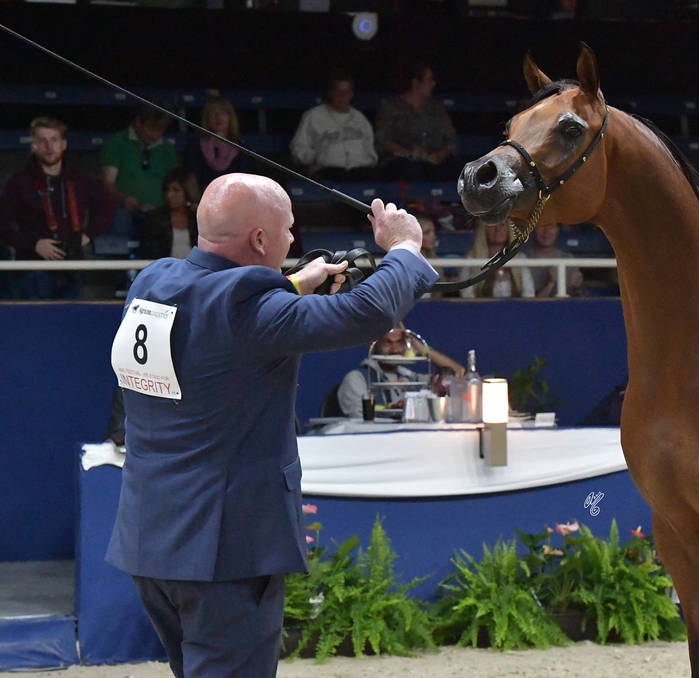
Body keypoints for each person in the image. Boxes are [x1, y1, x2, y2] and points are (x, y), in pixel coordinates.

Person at [105, 173, 437, 678]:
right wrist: (406, 247)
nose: (291, 240)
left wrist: (296, 285)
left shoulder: (154, 281)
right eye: (287, 229)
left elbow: (217, 305)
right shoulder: (246, 306)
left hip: (151, 539)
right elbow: (365, 314)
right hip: (224, 549)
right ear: (260, 239)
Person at [0, 116, 114, 298]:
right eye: (42, 140)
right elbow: (3, 224)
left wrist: (87, 235)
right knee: (35, 323)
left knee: (71, 323)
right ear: (33, 146)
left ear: (64, 144)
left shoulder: (79, 180)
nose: (49, 146)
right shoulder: (19, 182)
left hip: (72, 268)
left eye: (54, 140)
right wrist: (33, 245)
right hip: (33, 269)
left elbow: (108, 207)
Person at [332, 322, 465, 418]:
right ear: (372, 345)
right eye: (387, 343)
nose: (395, 350)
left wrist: (419, 347)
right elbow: (360, 420)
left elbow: (458, 374)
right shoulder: (357, 379)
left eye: (399, 343)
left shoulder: (412, 378)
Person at [101, 104, 178, 238]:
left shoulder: (168, 149)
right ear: (138, 123)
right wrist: (125, 199)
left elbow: (175, 183)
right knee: (120, 218)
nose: (155, 135)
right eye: (151, 129)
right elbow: (108, 183)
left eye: (160, 130)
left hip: (159, 213)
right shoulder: (117, 143)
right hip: (126, 210)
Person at [375, 61, 459, 181]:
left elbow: (451, 140)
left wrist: (438, 155)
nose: (433, 84)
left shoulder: (437, 108)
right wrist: (409, 153)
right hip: (402, 160)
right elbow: (383, 140)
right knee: (410, 170)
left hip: (434, 159)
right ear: (415, 83)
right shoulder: (391, 107)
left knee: (451, 169)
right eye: (429, 80)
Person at [290, 69, 377, 182]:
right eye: (338, 91)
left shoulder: (360, 119)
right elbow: (298, 149)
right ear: (330, 92)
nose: (342, 96)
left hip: (360, 170)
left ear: (351, 94)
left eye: (346, 91)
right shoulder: (313, 115)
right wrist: (317, 157)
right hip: (327, 171)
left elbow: (370, 151)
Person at [182, 96, 248, 194]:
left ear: (230, 117)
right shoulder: (194, 146)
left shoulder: (242, 148)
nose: (218, 117)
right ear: (206, 118)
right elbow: (191, 179)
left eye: (223, 113)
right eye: (213, 113)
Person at [458, 220, 535, 298]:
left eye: (502, 225)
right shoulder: (472, 258)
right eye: (492, 225)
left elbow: (529, 294)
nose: (498, 229)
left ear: (509, 229)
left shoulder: (519, 258)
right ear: (483, 229)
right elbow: (466, 295)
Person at [138, 169, 199, 260]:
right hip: (165, 270)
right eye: (167, 190)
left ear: (187, 191)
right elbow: (149, 252)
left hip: (194, 270)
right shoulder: (155, 218)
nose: (169, 195)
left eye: (176, 190)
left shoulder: (197, 218)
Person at [526, 222, 584, 297]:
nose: (546, 232)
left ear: (558, 230)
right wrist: (550, 283)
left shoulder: (568, 259)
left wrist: (577, 288)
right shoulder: (523, 259)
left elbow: (579, 300)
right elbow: (527, 305)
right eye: (541, 226)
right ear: (532, 230)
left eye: (551, 226)